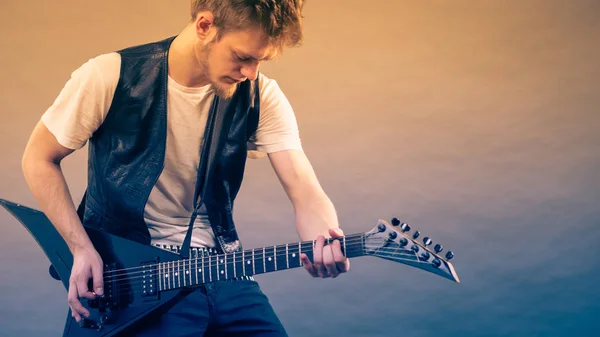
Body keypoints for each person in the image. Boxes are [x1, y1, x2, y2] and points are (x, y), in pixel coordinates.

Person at [21, 0, 349, 336]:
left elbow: (305, 190)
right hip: (136, 277)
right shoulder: (110, 75)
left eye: (260, 61)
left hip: (220, 267)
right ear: (205, 26)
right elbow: (38, 158)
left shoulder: (260, 94)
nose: (251, 72)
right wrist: (80, 247)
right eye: (242, 57)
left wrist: (325, 238)